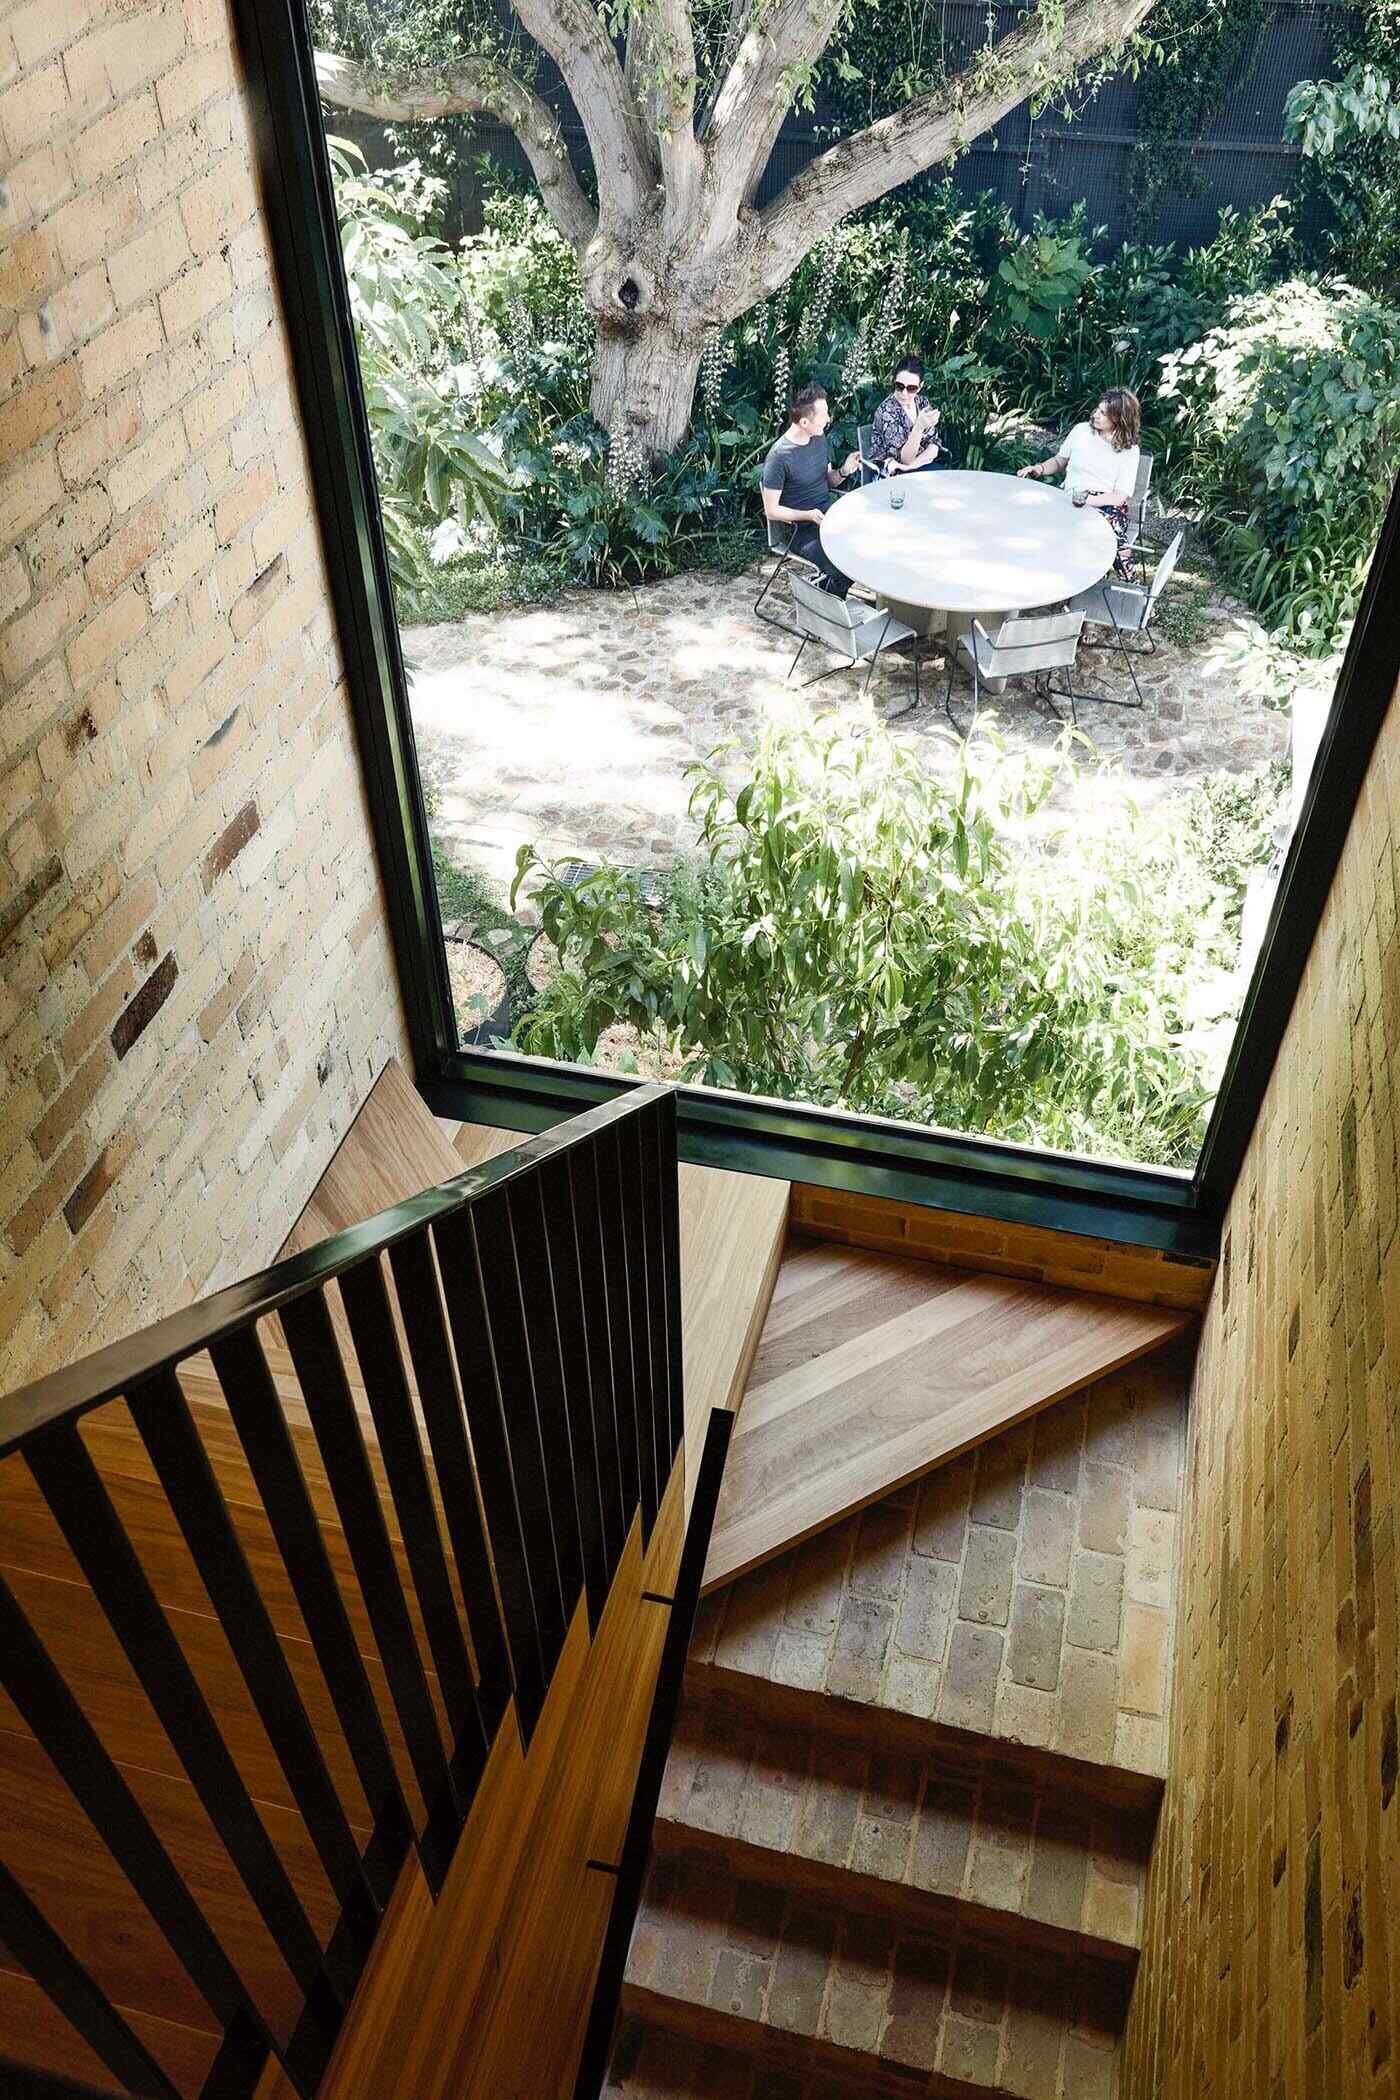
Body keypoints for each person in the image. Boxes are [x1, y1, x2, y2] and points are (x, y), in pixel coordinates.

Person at [1017, 388, 1142, 576]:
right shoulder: (1081, 431)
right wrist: (1039, 468)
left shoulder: (1129, 450)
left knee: (1110, 529)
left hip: (1105, 504)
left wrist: (1087, 500)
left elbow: (1120, 496)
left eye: (1103, 413)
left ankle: (1129, 579)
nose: (1095, 415)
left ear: (1118, 419)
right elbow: (1059, 461)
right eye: (1097, 409)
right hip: (1069, 497)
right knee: (1031, 516)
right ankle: (1035, 572)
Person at [760, 381, 863, 595]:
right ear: (805, 421)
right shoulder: (779, 457)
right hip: (800, 532)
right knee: (843, 569)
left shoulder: (818, 439)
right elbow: (771, 510)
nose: (828, 419)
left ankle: (825, 592)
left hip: (828, 518)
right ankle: (829, 610)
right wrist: (808, 515)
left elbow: (828, 481)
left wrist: (844, 470)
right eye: (823, 415)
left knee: (867, 547)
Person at [868, 354, 944, 477]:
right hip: (890, 474)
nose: (904, 393)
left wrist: (907, 467)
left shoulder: (922, 403)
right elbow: (905, 459)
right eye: (899, 386)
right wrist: (918, 427)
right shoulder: (887, 411)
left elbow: (933, 446)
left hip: (915, 467)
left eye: (911, 388)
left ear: (920, 387)